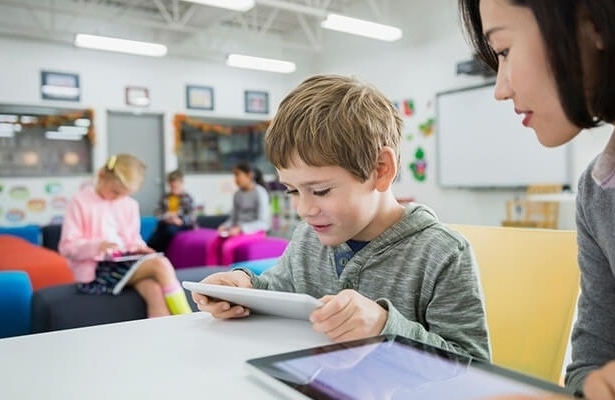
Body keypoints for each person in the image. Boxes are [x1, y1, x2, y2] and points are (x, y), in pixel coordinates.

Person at [459, 0, 615, 398]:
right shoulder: (598, 195)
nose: (500, 88)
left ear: (596, 22)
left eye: (505, 51)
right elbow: (594, 362)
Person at [193, 74, 490, 360]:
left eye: (320, 191)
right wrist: (241, 289)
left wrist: (384, 326)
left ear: (381, 169)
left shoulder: (443, 253)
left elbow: (472, 365)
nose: (303, 209)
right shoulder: (308, 236)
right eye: (292, 191)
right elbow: (277, 290)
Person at [59, 154, 192, 316]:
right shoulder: (79, 201)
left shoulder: (129, 204)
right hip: (97, 269)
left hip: (124, 262)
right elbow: (67, 247)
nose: (119, 198)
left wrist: (140, 248)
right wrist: (98, 246)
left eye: (125, 194)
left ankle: (161, 340)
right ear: (101, 176)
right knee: (161, 264)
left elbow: (132, 240)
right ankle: (188, 319)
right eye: (115, 192)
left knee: (155, 292)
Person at [210, 161, 271, 266]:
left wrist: (241, 229)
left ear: (249, 175)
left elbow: (263, 222)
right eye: (234, 175)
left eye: (237, 174)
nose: (235, 179)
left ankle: (227, 277)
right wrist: (225, 226)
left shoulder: (260, 193)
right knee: (214, 244)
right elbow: (233, 218)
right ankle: (211, 274)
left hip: (256, 232)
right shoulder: (237, 194)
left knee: (228, 246)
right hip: (238, 230)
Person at [146, 169, 196, 253]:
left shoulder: (187, 197)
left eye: (176, 187)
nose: (174, 189)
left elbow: (191, 216)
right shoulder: (165, 197)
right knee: (154, 237)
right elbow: (157, 212)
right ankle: (151, 251)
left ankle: (163, 252)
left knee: (168, 231)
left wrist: (180, 221)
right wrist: (166, 217)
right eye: (172, 187)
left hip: (182, 224)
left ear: (181, 184)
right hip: (166, 223)